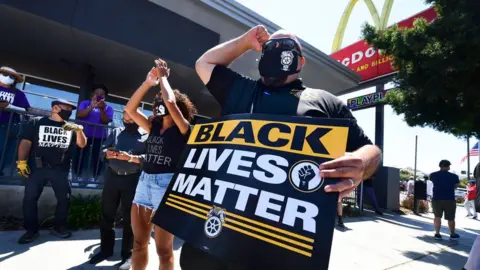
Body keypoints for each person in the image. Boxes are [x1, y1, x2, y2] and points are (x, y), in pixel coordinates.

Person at [181, 25, 381, 270]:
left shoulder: (326, 102)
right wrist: (245, 42)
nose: (278, 50)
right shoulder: (240, 89)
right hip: (217, 238)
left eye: (288, 46)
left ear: (301, 61)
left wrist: (361, 163)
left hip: (284, 245)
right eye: (271, 47)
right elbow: (204, 63)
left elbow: (370, 150)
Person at [124, 59, 197, 270]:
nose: (158, 105)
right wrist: (148, 82)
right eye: (156, 102)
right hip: (144, 183)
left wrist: (164, 77)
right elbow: (130, 109)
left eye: (160, 101)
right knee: (138, 244)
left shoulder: (184, 128)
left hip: (166, 187)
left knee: (164, 250)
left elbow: (171, 103)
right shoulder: (152, 127)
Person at [16, 99, 87, 244]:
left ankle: (58, 227)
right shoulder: (36, 122)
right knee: (30, 199)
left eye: (71, 110)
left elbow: (82, 144)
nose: (69, 112)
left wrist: (79, 131)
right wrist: (21, 162)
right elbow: (26, 142)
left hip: (61, 169)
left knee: (64, 199)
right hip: (37, 167)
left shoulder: (71, 127)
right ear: (55, 108)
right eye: (66, 108)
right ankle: (31, 231)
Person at [89, 110, 148, 269]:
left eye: (130, 118)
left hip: (133, 179)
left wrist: (129, 157)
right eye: (124, 118)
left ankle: (127, 254)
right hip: (112, 178)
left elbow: (149, 158)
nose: (126, 121)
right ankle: (105, 250)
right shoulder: (116, 132)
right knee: (107, 215)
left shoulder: (146, 135)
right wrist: (107, 154)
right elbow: (102, 150)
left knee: (130, 219)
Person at [74, 84, 113, 181]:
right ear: (92, 94)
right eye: (97, 93)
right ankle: (77, 175)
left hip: (100, 137)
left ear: (105, 96)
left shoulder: (108, 108)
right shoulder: (85, 103)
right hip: (84, 135)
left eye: (102, 94)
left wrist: (101, 109)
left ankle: (95, 177)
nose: (99, 95)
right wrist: (91, 106)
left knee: (97, 157)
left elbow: (105, 121)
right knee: (80, 155)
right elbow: (79, 115)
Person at [0, 66, 30, 175]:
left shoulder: (18, 93)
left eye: (11, 76)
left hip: (7, 125)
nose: (8, 77)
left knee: (3, 149)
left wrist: (9, 106)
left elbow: (26, 110)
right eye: (5, 74)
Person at [429, 160, 460, 241]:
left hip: (436, 198)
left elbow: (432, 181)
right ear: (448, 166)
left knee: (437, 217)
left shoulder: (432, 175)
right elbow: (455, 186)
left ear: (440, 166)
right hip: (449, 199)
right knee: (451, 218)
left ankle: (437, 234)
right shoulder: (454, 176)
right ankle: (452, 234)